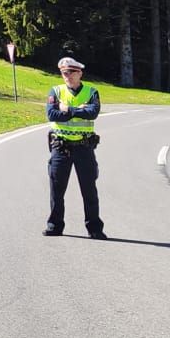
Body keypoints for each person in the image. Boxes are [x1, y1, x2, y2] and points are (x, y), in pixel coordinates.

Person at [44, 56, 105, 239]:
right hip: (61, 147)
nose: (67, 76)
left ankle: (95, 228)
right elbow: (52, 114)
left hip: (84, 148)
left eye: (71, 72)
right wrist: (79, 110)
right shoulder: (56, 91)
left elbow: (92, 113)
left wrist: (68, 110)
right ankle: (55, 226)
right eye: (64, 73)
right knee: (56, 189)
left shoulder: (91, 92)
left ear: (80, 73)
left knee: (89, 190)